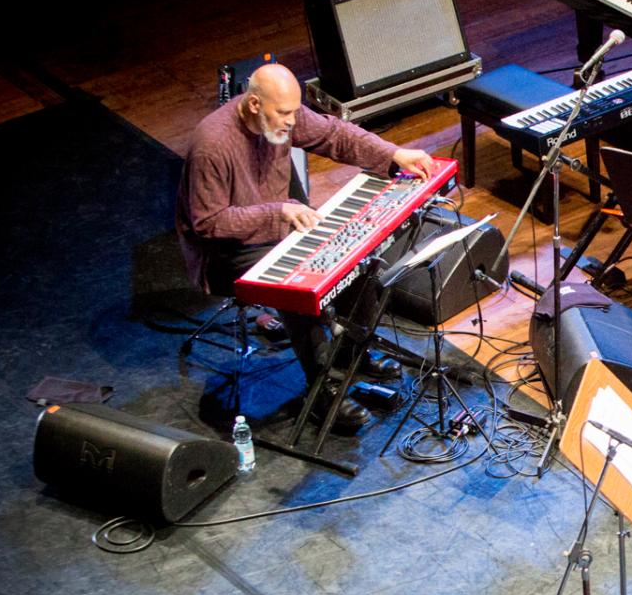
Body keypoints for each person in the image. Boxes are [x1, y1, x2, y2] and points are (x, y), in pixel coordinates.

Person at [176, 63, 437, 432]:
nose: (291, 121)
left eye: (294, 112)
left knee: (358, 255)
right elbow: (209, 223)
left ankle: (352, 351)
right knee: (298, 290)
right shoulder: (212, 146)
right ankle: (322, 389)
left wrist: (393, 153)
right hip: (227, 251)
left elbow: (335, 134)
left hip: (281, 226)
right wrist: (278, 211)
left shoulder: (287, 115)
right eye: (283, 113)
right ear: (253, 105)